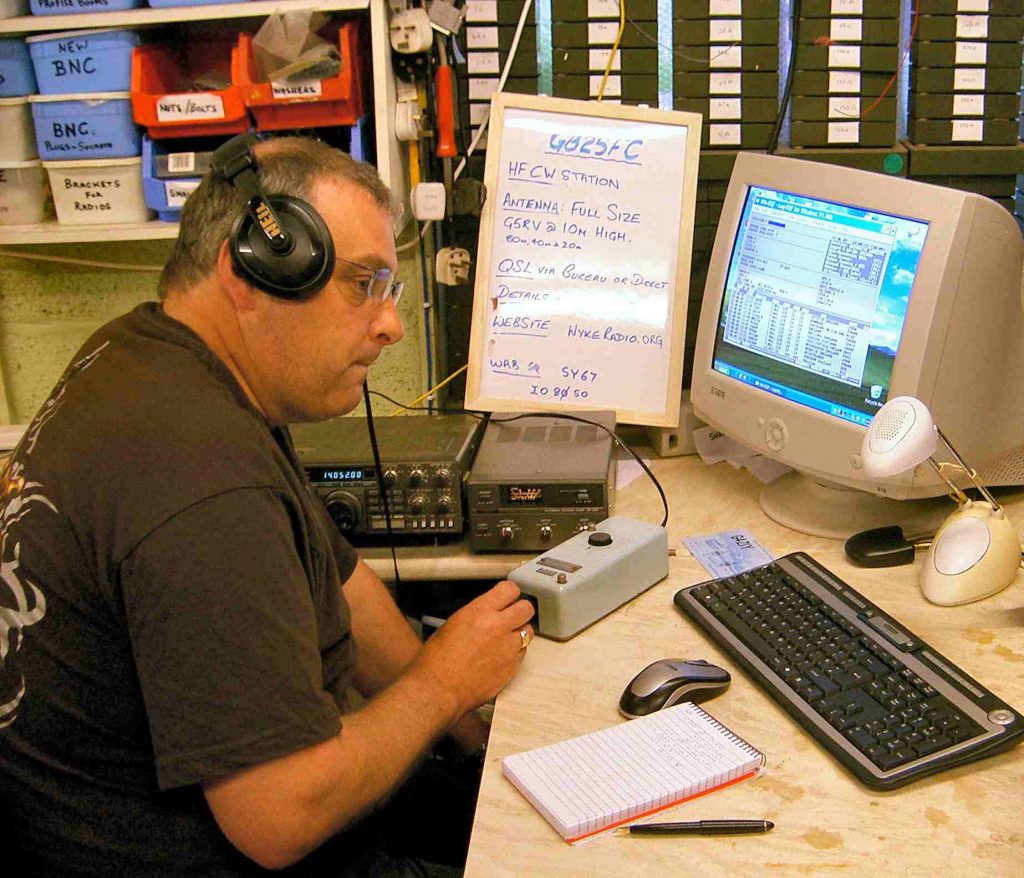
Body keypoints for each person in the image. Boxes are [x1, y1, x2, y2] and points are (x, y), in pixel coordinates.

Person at [0, 135, 535, 876]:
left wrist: (472, 731)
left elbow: (341, 582)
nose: (390, 324)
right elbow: (279, 817)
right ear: (253, 270)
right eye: (363, 285)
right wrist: (443, 684)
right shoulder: (201, 480)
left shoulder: (155, 358)